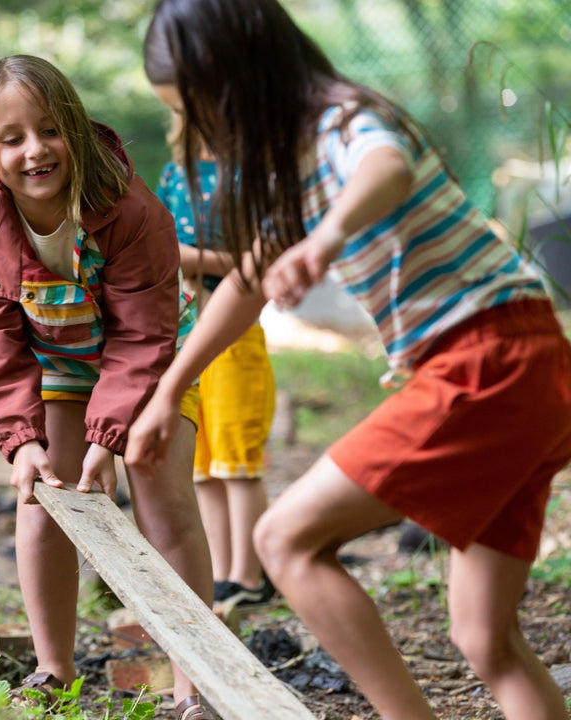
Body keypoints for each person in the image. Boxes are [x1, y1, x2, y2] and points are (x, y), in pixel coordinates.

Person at [125, 2, 571, 719]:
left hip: (489, 359)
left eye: (202, 112)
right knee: (484, 636)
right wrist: (168, 390)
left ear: (241, 79)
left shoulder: (339, 120)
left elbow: (384, 167)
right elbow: (247, 281)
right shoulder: (291, 168)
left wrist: (327, 239)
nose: (202, 135)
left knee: (285, 539)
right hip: (529, 365)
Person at [0, 54, 214, 720]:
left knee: (160, 487)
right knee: (44, 495)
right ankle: (54, 670)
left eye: (48, 131)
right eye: (11, 139)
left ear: (74, 128)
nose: (34, 151)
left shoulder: (127, 207)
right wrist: (20, 442)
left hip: (151, 353)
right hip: (59, 359)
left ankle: (194, 684)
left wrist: (113, 435)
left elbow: (142, 334)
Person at [155, 113, 276, 606]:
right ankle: (225, 571)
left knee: (237, 459)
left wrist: (192, 258)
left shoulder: (249, 175)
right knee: (204, 462)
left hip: (235, 334)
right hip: (187, 334)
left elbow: (260, 257)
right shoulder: (173, 173)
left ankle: (249, 576)